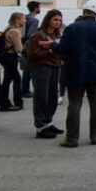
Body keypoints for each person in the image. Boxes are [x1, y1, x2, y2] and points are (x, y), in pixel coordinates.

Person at [53, 1, 96, 147]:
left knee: (74, 104)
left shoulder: (72, 28)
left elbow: (62, 48)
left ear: (84, 11)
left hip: (75, 70)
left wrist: (52, 45)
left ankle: (72, 138)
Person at [27, 10, 65, 139]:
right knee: (41, 97)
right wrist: (49, 50)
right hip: (42, 68)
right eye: (55, 19)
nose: (57, 22)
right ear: (48, 19)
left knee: (52, 96)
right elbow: (32, 54)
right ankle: (40, 125)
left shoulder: (56, 35)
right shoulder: (39, 35)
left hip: (55, 66)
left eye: (59, 20)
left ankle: (48, 122)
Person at [0, 12, 26, 112]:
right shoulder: (15, 31)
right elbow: (19, 48)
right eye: (23, 19)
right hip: (11, 57)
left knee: (7, 80)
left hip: (6, 57)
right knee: (15, 79)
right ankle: (16, 102)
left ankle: (4, 102)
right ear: (17, 19)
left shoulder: (8, 28)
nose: (25, 21)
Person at [21, 1, 41, 98]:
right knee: (29, 69)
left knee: (27, 69)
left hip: (22, 46)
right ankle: (25, 90)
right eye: (39, 7)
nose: (40, 8)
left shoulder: (25, 18)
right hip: (28, 47)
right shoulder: (34, 21)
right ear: (36, 8)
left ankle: (24, 89)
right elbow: (30, 35)